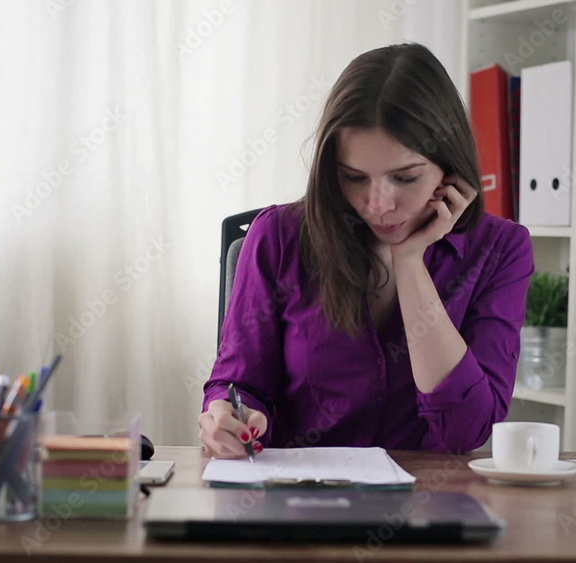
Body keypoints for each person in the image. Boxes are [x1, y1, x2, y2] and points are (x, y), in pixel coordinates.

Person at [198, 43, 534, 458]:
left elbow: (466, 431)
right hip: (300, 489)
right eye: (354, 177)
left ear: (450, 168)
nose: (377, 204)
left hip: (430, 492)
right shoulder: (278, 237)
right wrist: (228, 416)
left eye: (404, 178)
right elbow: (239, 384)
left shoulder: (501, 249)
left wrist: (410, 261)